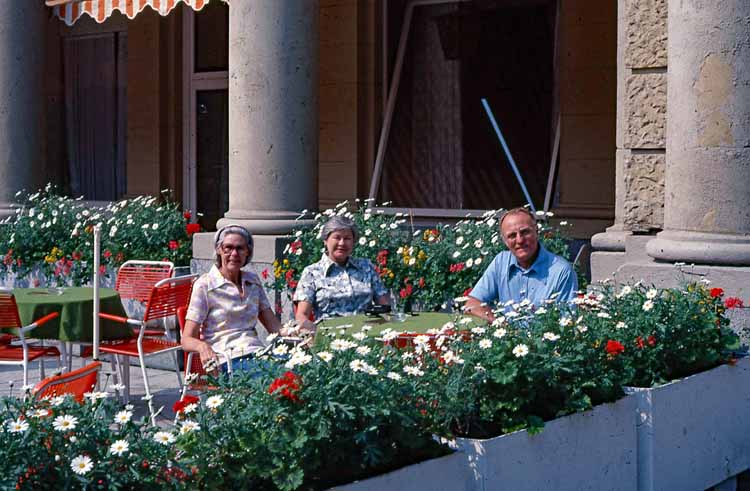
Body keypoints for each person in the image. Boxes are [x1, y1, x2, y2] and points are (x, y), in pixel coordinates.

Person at [182, 224, 283, 373]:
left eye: (240, 248)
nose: (234, 253)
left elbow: (274, 327)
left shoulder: (252, 281)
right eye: (228, 248)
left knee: (299, 371)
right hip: (227, 359)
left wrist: (300, 333)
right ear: (218, 250)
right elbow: (186, 339)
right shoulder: (205, 285)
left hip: (257, 353)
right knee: (280, 379)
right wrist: (202, 346)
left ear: (247, 252)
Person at [465, 207, 578, 322]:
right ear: (505, 241)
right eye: (512, 236)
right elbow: (473, 303)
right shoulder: (501, 262)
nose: (519, 240)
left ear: (536, 232)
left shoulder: (561, 271)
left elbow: (566, 322)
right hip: (507, 336)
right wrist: (501, 324)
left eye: (525, 232)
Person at [293, 215, 389, 327]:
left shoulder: (366, 267)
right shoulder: (312, 273)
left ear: (354, 242)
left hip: (365, 334)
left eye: (347, 238)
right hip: (329, 335)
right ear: (325, 240)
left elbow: (384, 306)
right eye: (337, 237)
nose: (342, 243)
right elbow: (302, 315)